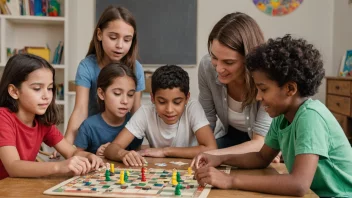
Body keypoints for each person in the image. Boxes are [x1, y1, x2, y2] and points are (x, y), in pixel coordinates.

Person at [192, 35, 352, 197]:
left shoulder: (310, 117)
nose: (258, 97)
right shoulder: (282, 117)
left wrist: (231, 180)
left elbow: (298, 185)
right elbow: (261, 157)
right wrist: (220, 158)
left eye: (264, 89)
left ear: (290, 88)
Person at [0, 54, 104, 180]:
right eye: (37, 88)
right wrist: (59, 167)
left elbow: (70, 152)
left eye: (50, 88)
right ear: (14, 92)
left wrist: (88, 156)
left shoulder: (42, 121)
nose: (47, 96)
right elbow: (13, 166)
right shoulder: (3, 117)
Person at [64, 6, 145, 147]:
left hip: (122, 139)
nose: (120, 45)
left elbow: (136, 112)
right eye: (113, 37)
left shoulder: (136, 68)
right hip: (92, 138)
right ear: (100, 34)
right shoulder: (87, 66)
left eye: (127, 40)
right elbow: (80, 110)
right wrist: (65, 145)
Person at [104, 65, 217, 166]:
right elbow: (111, 148)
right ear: (152, 98)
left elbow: (211, 148)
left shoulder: (192, 108)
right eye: (162, 102)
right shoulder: (145, 112)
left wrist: (165, 151)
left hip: (189, 167)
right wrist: (123, 154)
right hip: (158, 168)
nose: (169, 110)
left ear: (187, 98)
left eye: (177, 102)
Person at [198, 12, 273, 156]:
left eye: (229, 62)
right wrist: (203, 149)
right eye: (214, 57)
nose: (219, 68)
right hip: (229, 135)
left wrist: (213, 155)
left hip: (264, 141)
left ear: (249, 59)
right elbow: (206, 121)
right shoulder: (207, 67)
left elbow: (260, 142)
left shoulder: (267, 75)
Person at [74, 63, 143, 156]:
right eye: (117, 93)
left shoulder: (136, 124)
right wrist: (95, 156)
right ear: (102, 94)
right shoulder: (88, 127)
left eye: (130, 95)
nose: (125, 101)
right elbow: (75, 155)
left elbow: (138, 152)